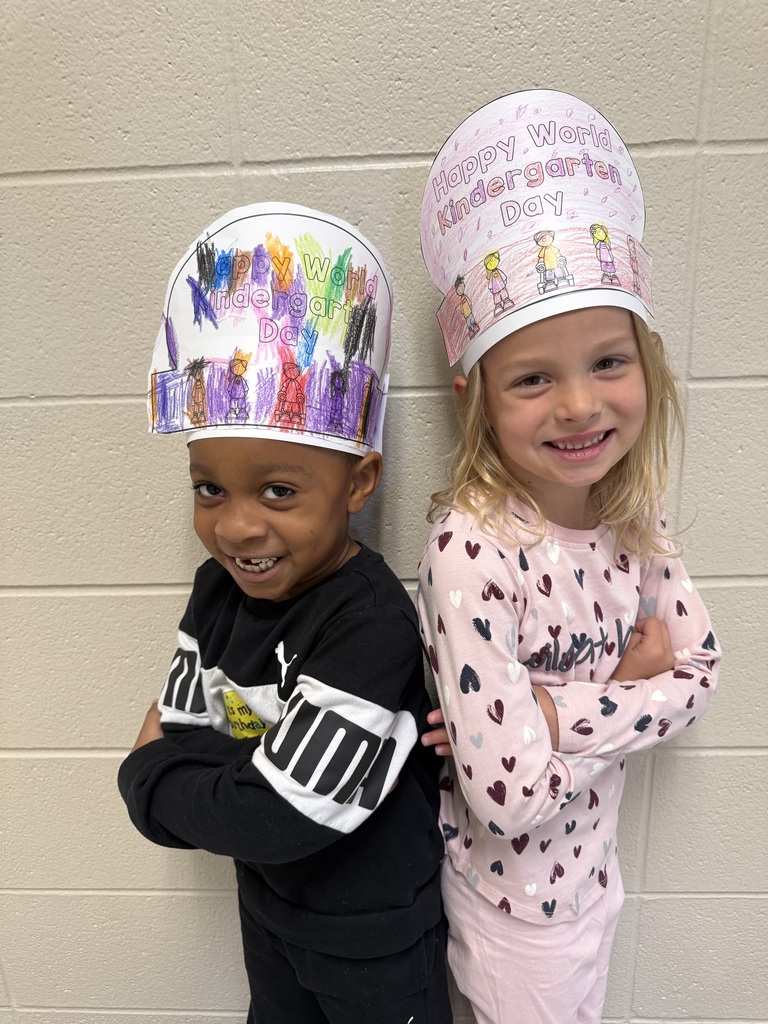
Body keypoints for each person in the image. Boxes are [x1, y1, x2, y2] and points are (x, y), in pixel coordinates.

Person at [418, 91, 720, 1024]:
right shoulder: (471, 551)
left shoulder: (635, 515)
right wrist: (633, 686)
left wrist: (555, 710)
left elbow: (701, 672)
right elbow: (507, 797)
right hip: (514, 916)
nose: (580, 406)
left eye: (607, 363)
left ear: (648, 364)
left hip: (594, 876)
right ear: (477, 397)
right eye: (534, 378)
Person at [118, 203, 450, 1024]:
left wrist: (146, 784)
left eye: (279, 491)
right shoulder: (217, 591)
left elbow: (276, 812)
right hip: (267, 910)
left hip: (375, 940)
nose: (235, 526)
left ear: (360, 484)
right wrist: (223, 783)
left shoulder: (368, 624)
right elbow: (200, 739)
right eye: (209, 488)